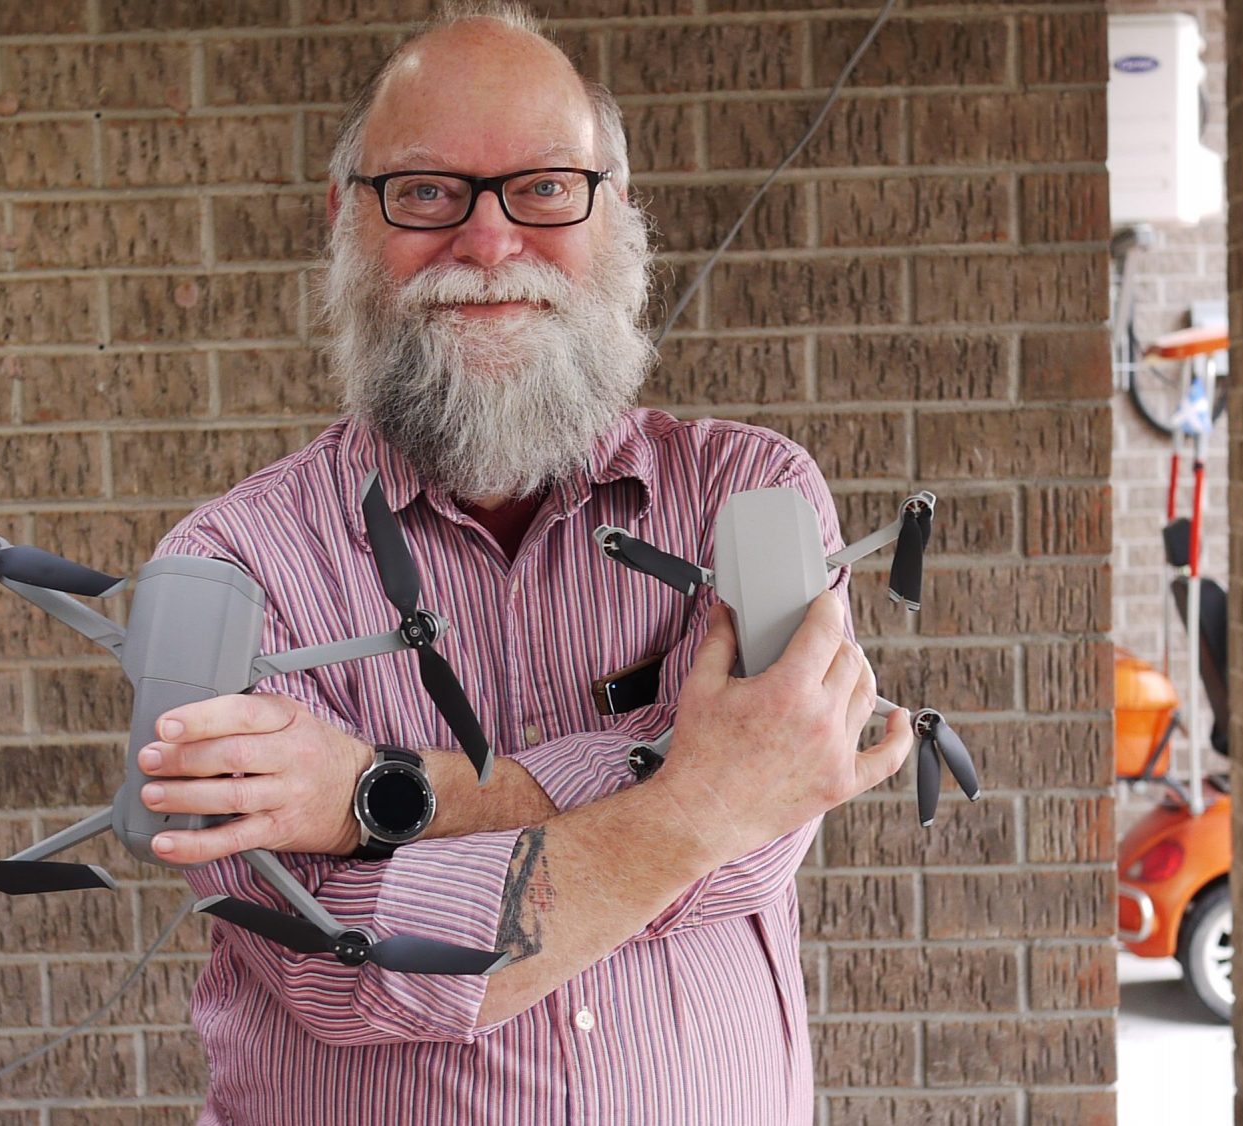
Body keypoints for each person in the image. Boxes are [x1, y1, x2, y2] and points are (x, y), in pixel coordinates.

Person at [144, 5, 913, 1122]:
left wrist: (370, 792)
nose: (488, 241)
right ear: (344, 221)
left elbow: (763, 836)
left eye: (545, 186)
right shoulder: (223, 571)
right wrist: (697, 791)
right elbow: (343, 962)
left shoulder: (749, 498)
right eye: (424, 192)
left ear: (615, 214)